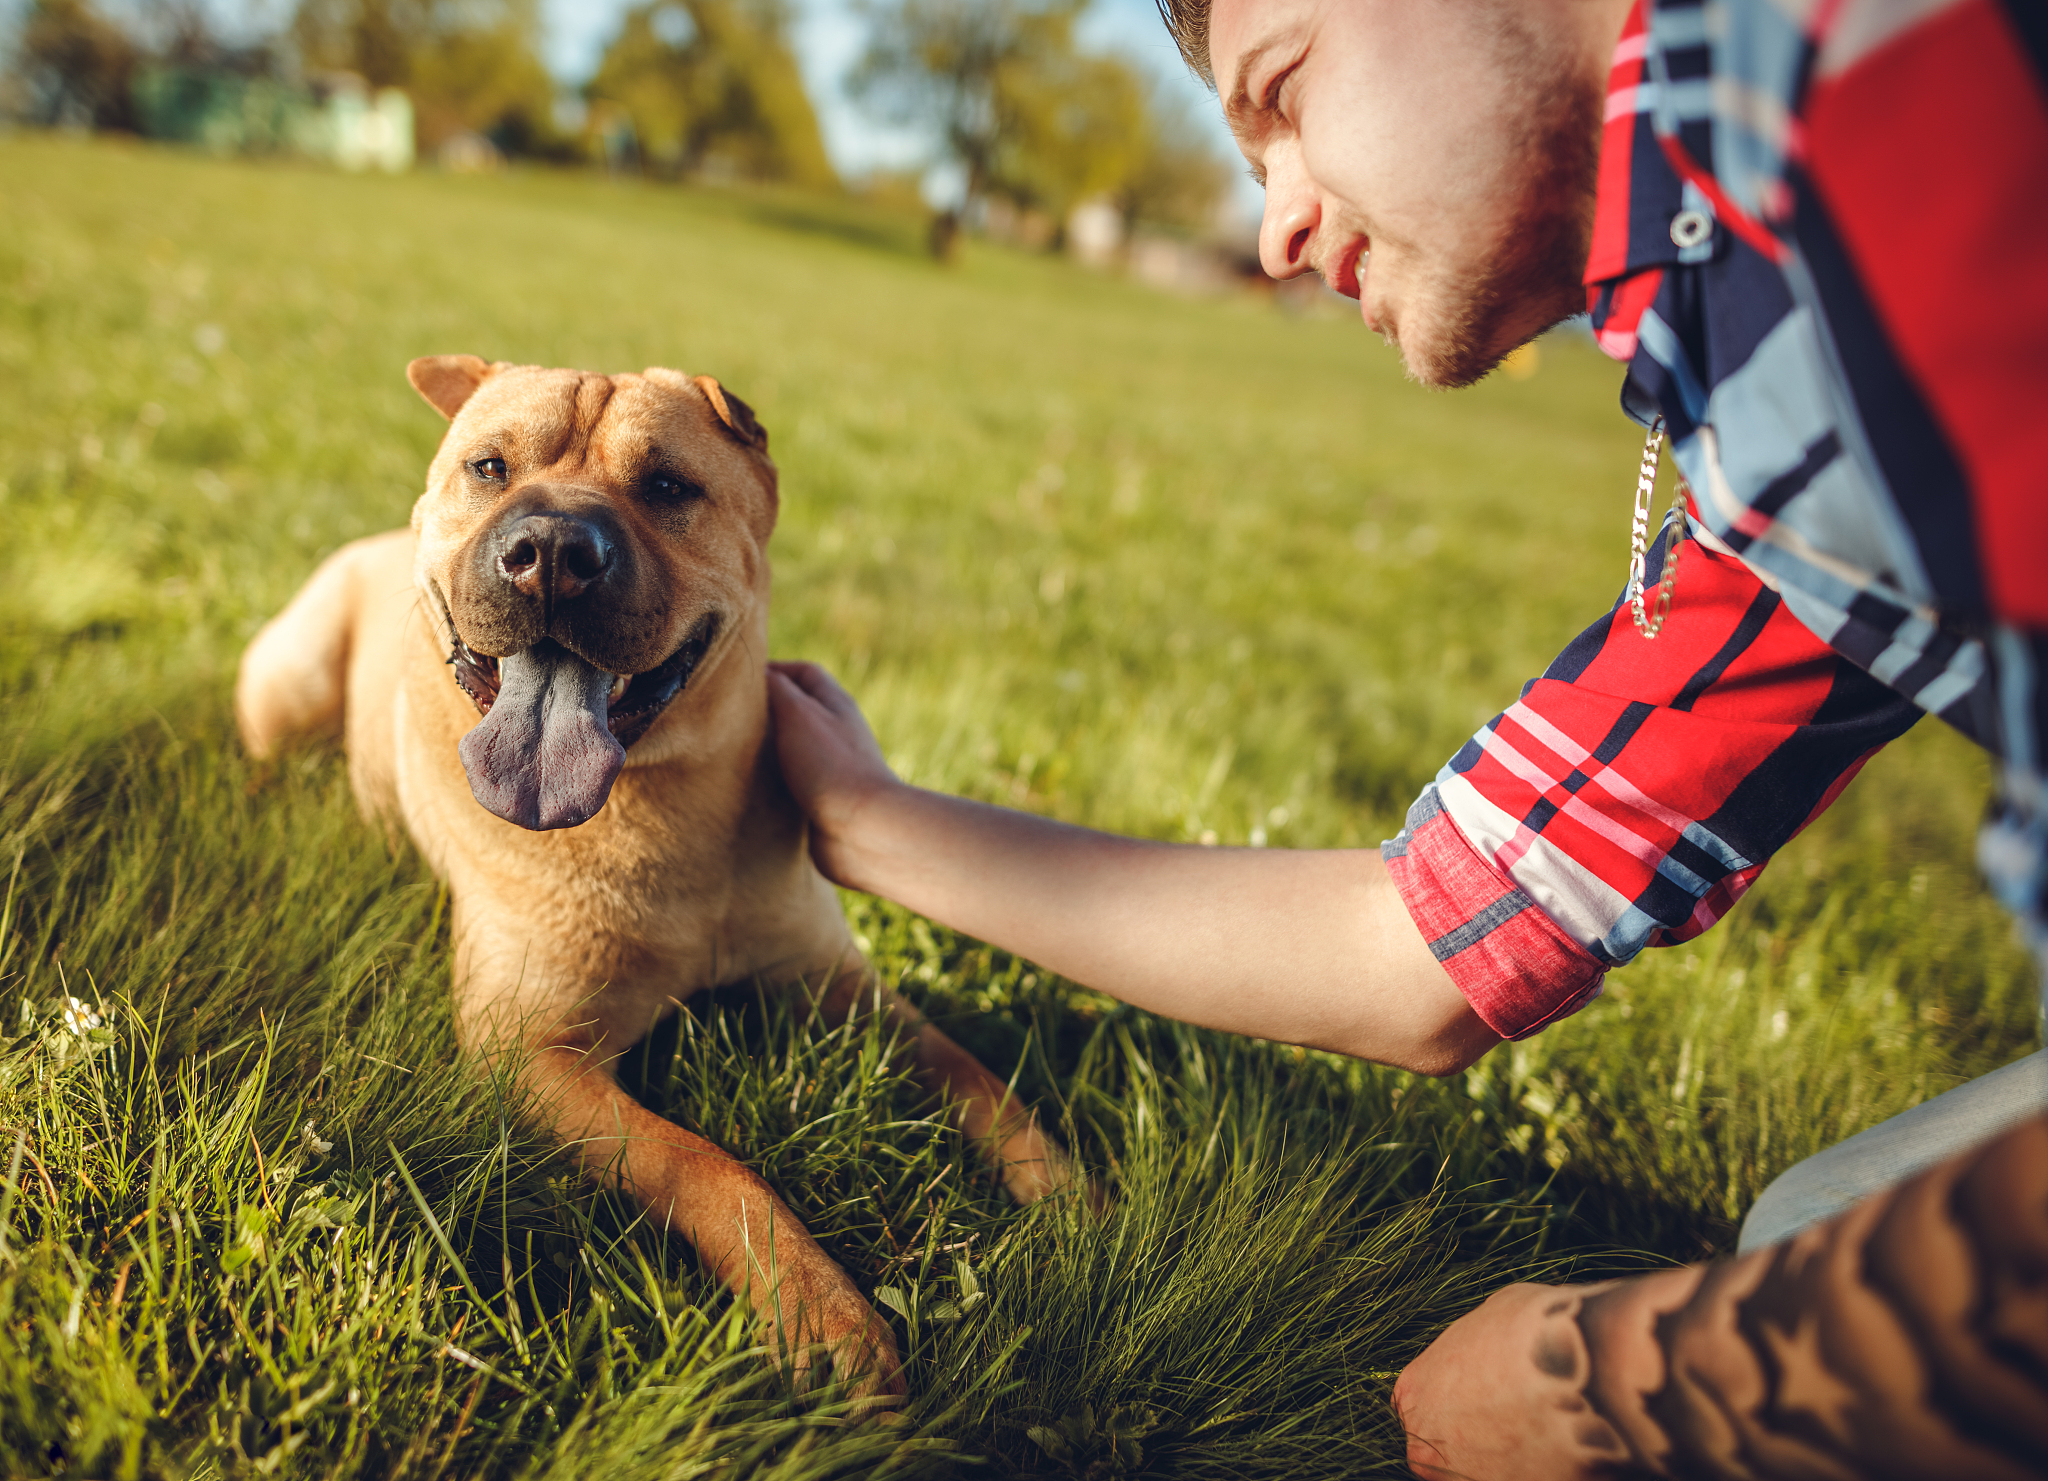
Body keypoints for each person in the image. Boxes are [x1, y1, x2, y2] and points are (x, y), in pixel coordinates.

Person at [766, 0, 2048, 1474]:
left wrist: (1629, 1386)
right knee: (1814, 1236)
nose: (1278, 233)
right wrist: (868, 820)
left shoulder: (1876, 105)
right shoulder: (1757, 359)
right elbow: (1441, 933)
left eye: (1286, 92)